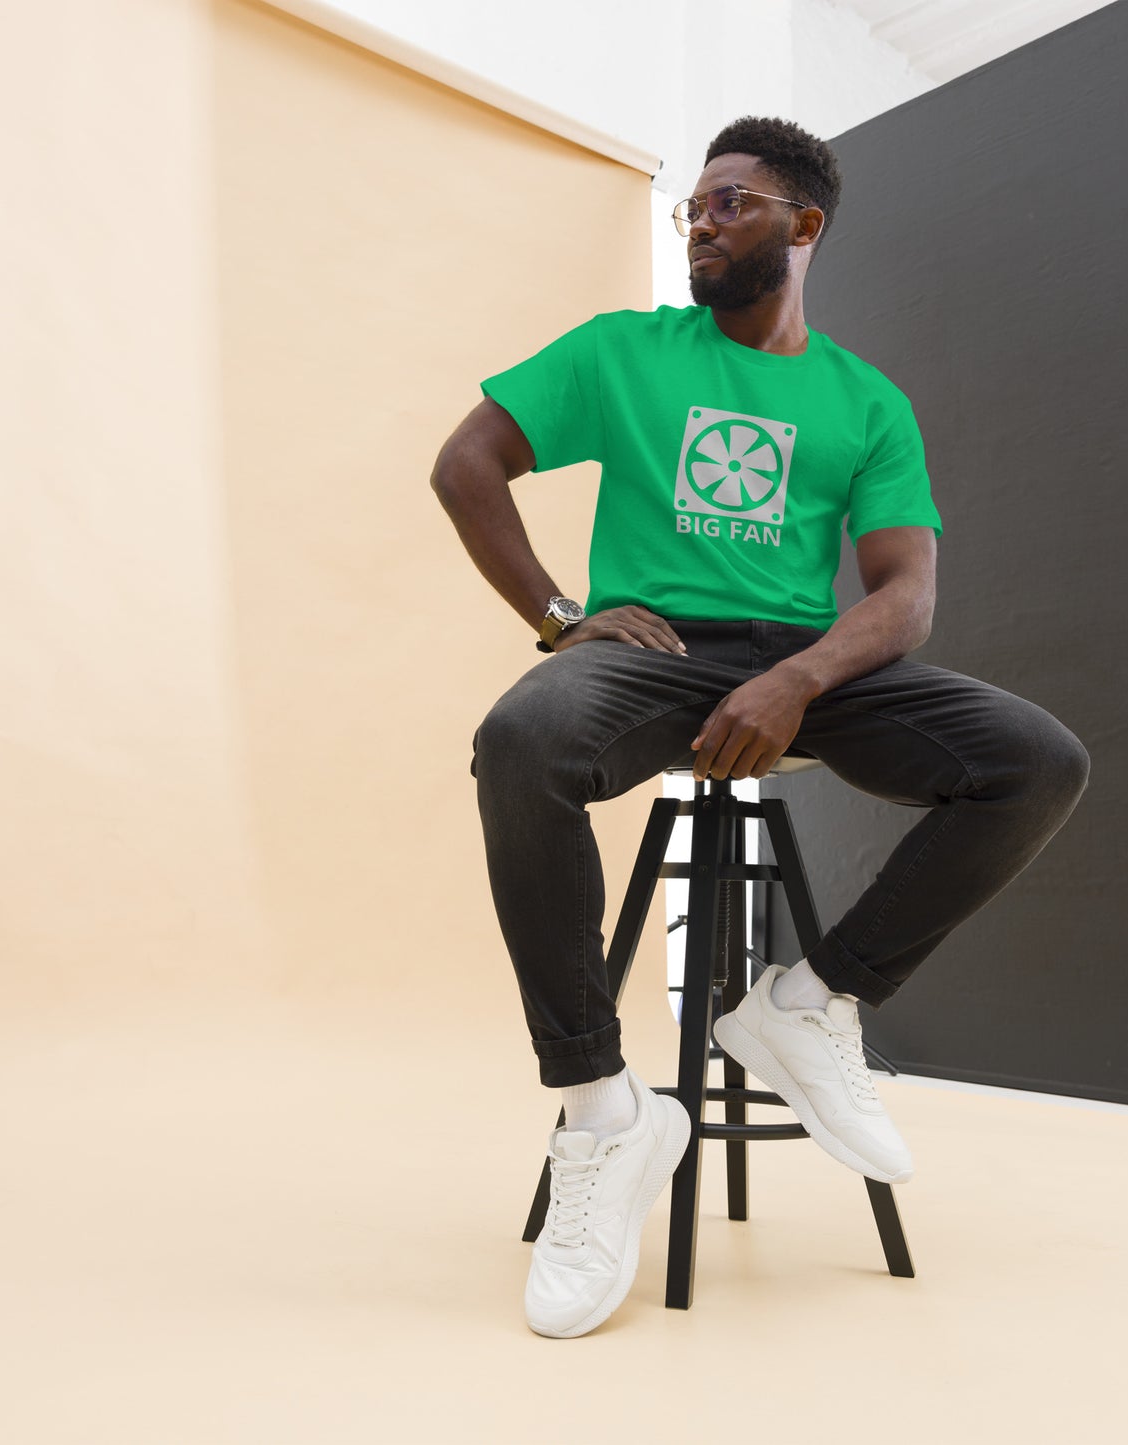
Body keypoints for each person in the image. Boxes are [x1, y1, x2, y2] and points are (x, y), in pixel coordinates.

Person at [431, 116, 1089, 1338]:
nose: (700, 221)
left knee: (1035, 760)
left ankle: (807, 1000)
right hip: (653, 653)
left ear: (802, 224)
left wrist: (798, 680)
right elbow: (466, 462)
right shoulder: (622, 352)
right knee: (520, 743)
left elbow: (904, 594)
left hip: (803, 661)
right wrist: (563, 615)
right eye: (691, 206)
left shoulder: (863, 401)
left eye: (728, 203)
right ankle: (602, 1111)